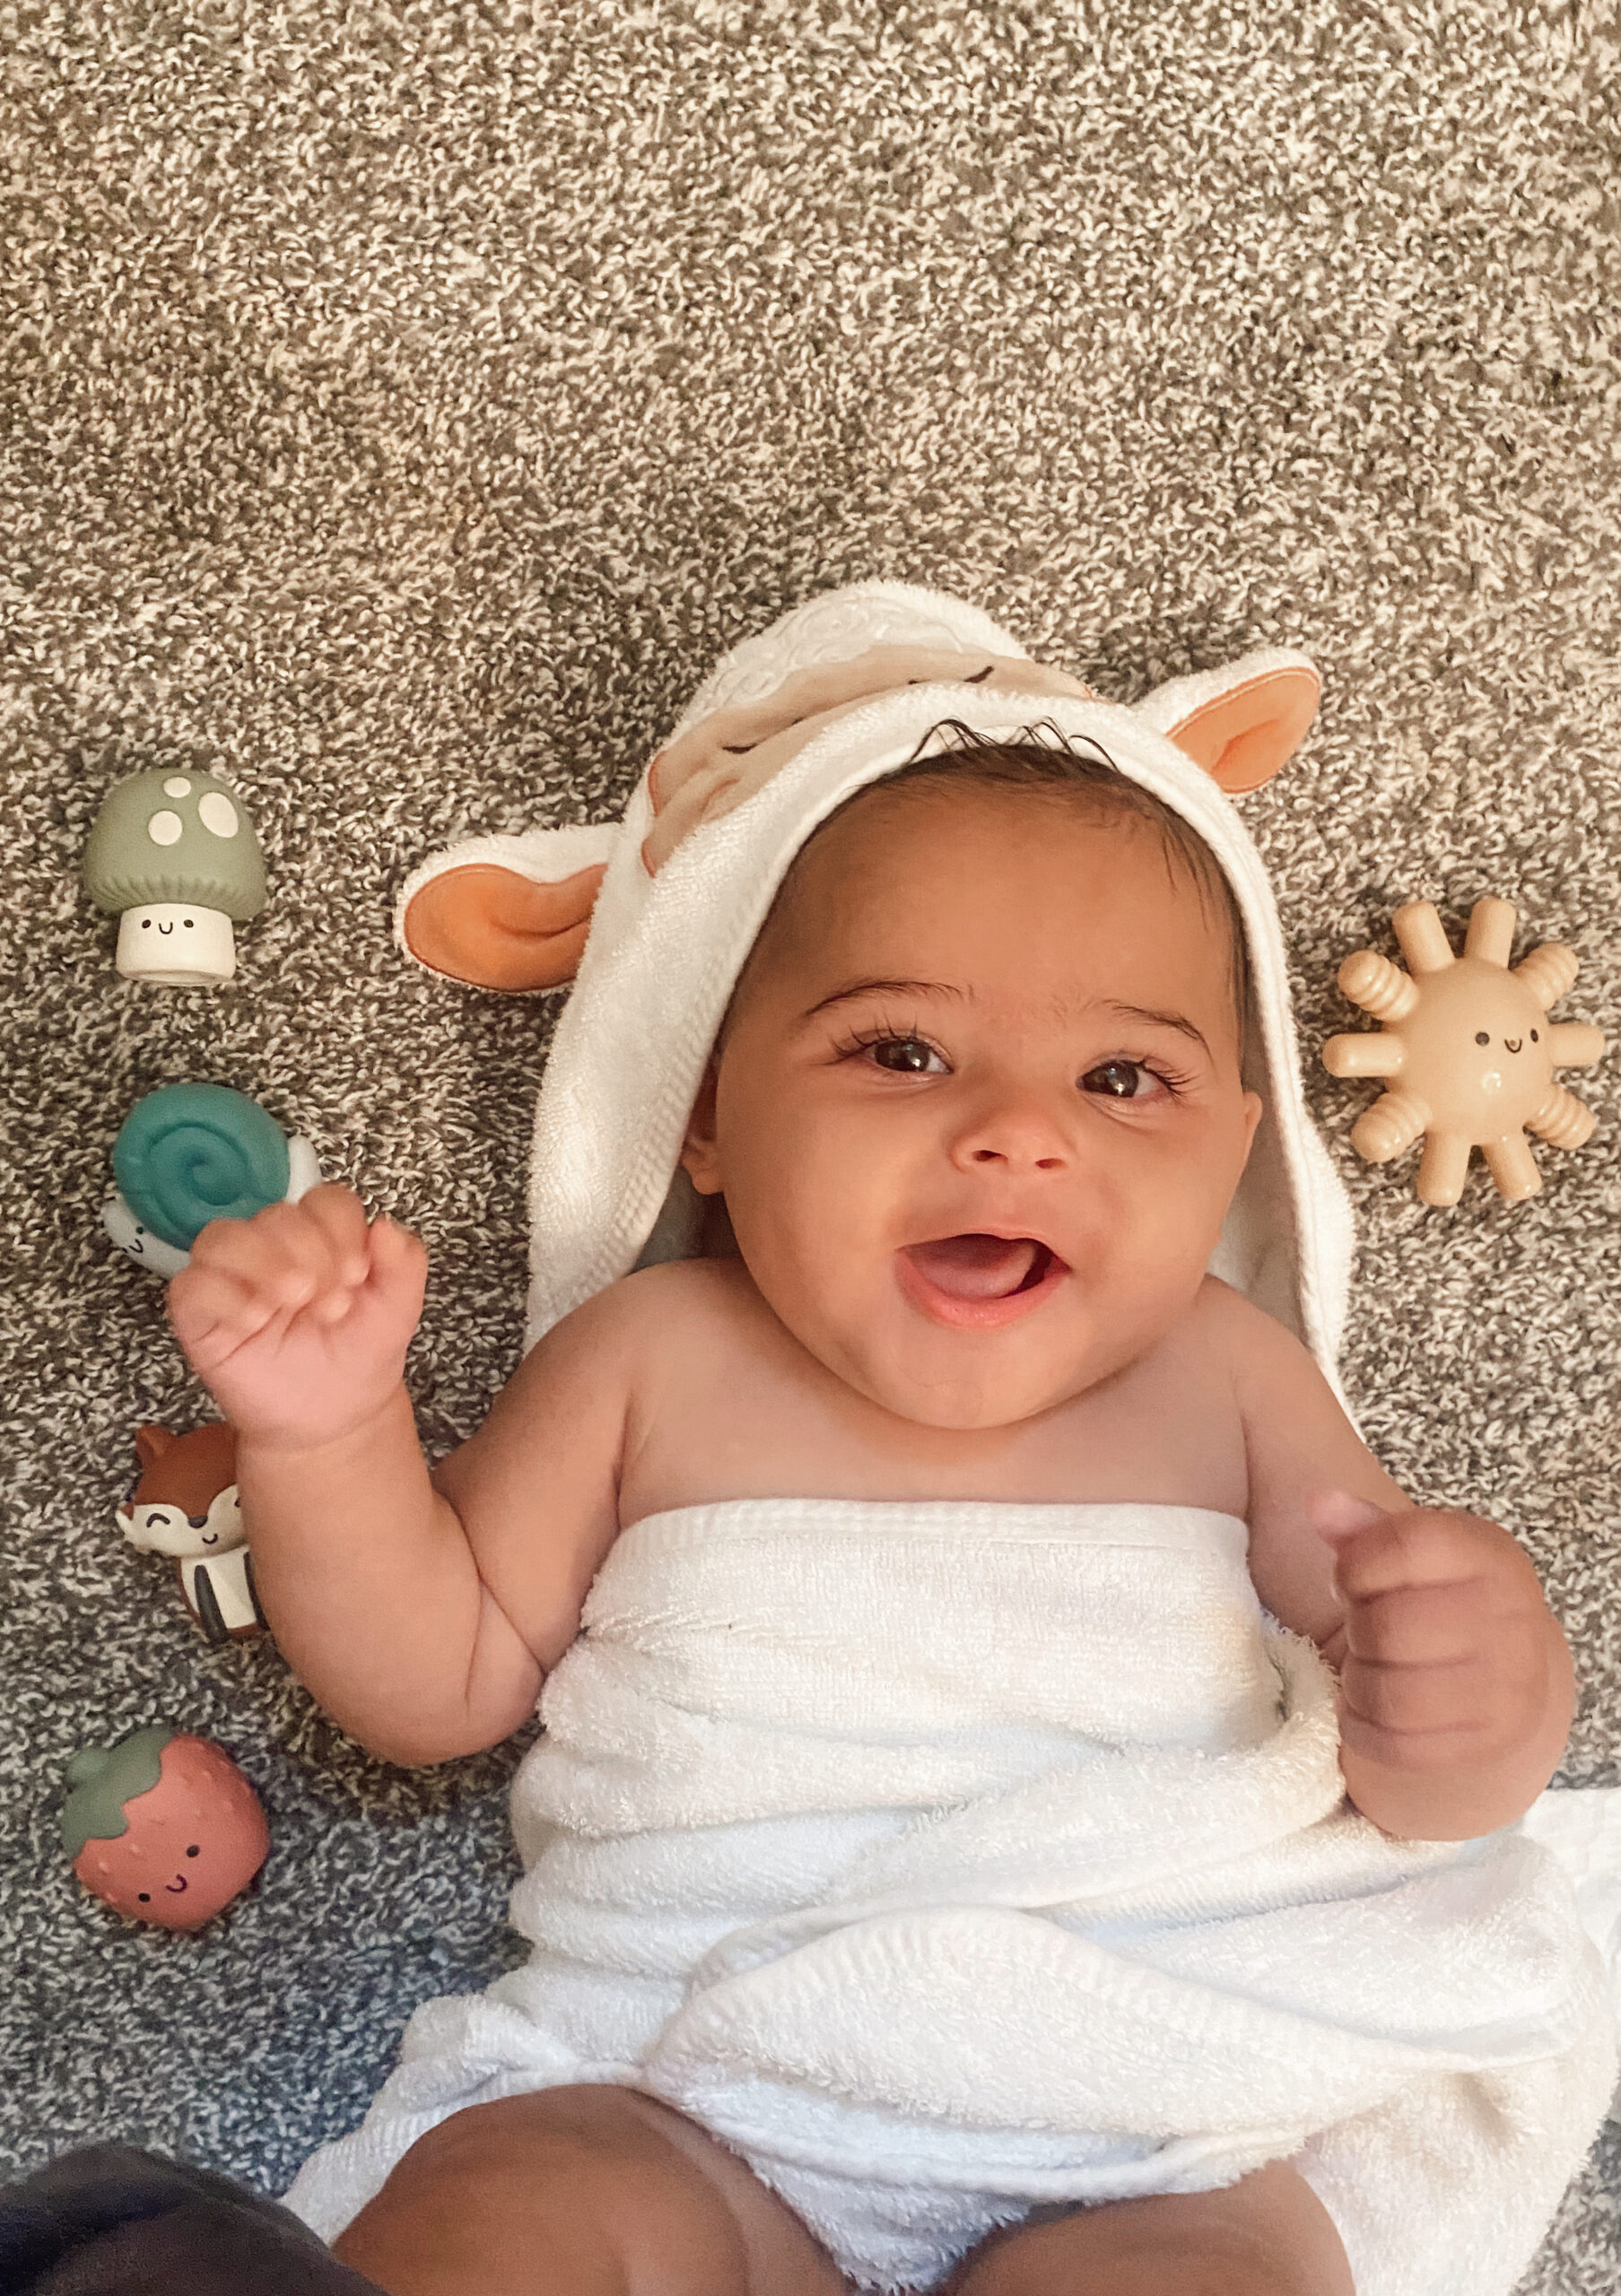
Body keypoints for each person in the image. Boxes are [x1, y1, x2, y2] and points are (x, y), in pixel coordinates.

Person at [156, 596, 1609, 2296]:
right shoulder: (653, 1358)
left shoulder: (1227, 1378)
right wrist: (329, 1439)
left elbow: (1412, 1777)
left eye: (1124, 1080)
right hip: (688, 2085)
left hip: (1150, 2112)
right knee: (513, 2220)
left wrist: (1485, 1691)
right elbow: (434, 1685)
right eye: (898, 1050)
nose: (1013, 1133)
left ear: (1233, 1154)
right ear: (706, 1117)